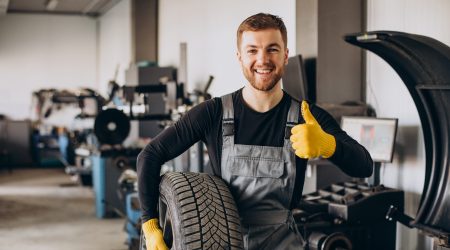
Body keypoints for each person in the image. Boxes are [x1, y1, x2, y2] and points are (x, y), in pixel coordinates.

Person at [137, 13, 373, 250]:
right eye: (252, 51)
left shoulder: (307, 116)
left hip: (282, 242)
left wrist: (328, 145)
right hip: (218, 241)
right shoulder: (212, 113)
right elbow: (150, 155)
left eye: (272, 49)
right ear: (239, 57)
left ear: (285, 55)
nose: (263, 60)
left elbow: (364, 165)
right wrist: (151, 226)